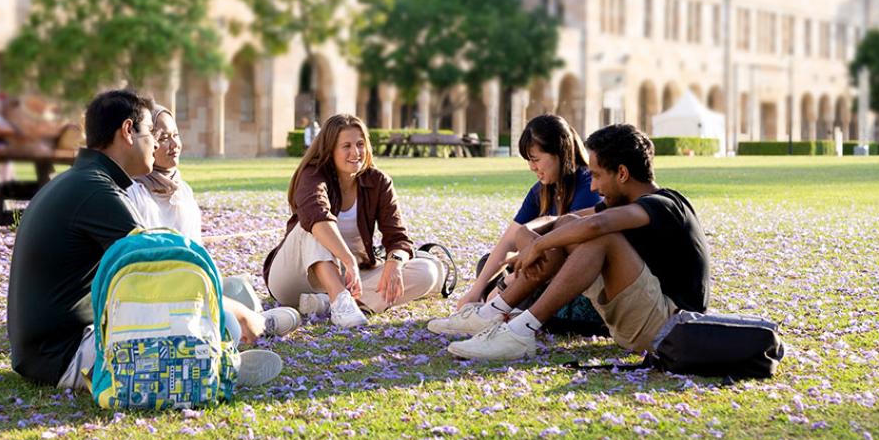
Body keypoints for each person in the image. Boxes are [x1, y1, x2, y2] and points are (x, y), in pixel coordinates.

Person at [7, 90, 283, 392]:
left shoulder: (81, 180)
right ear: (128, 131)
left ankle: (226, 350)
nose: (156, 143)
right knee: (225, 322)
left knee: (215, 313)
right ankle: (217, 367)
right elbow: (164, 269)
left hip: (42, 353)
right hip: (65, 355)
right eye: (151, 132)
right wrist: (240, 312)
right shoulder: (95, 191)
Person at [444, 123, 710, 361]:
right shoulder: (623, 204)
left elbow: (596, 225)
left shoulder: (665, 205)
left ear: (622, 173)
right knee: (568, 227)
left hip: (669, 327)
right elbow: (562, 220)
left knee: (600, 238)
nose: (593, 187)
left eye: (596, 175)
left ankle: (520, 331)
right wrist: (529, 235)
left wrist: (537, 246)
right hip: (638, 323)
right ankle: (493, 312)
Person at [126, 103, 300, 342]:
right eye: (162, 137)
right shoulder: (135, 192)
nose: (174, 145)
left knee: (240, 287)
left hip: (193, 283)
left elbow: (195, 251)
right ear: (145, 141)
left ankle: (252, 321)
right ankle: (250, 328)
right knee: (227, 321)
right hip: (163, 293)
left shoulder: (181, 189)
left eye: (176, 135)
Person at [263, 113, 449, 327]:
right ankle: (340, 300)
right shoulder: (312, 174)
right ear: (330, 150)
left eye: (360, 144)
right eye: (346, 146)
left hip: (350, 276)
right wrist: (348, 259)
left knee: (428, 272)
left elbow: (397, 237)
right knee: (314, 227)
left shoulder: (378, 182)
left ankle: (325, 304)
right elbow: (317, 216)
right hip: (294, 279)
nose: (356, 152)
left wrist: (395, 262)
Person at [428, 114, 600, 336]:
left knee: (513, 276)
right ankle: (505, 307)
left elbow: (567, 252)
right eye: (528, 160)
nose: (531, 167)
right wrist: (476, 290)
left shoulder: (588, 184)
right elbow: (509, 240)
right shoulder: (541, 190)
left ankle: (503, 309)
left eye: (536, 159)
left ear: (560, 152)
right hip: (539, 270)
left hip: (569, 276)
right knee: (487, 264)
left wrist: (506, 284)